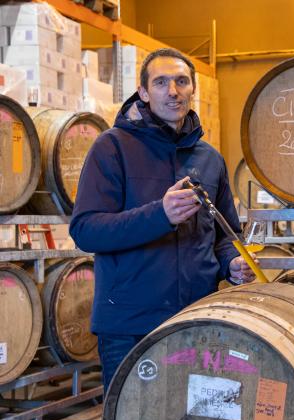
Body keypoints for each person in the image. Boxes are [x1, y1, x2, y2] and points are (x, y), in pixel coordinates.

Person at [70, 48, 255, 390]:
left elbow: (225, 234)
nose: (173, 91)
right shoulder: (111, 148)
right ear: (143, 92)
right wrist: (161, 214)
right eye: (161, 82)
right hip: (130, 326)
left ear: (192, 89)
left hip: (196, 319)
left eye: (181, 81)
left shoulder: (209, 159)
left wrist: (232, 264)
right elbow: (86, 230)